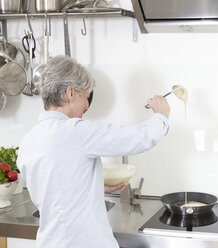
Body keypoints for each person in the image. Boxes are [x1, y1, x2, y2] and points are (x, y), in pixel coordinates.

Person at [17, 55, 170, 248]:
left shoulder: (29, 140)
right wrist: (161, 116)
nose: (87, 105)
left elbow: (52, 189)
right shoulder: (75, 131)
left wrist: (92, 186)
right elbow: (138, 137)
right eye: (85, 96)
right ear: (70, 93)